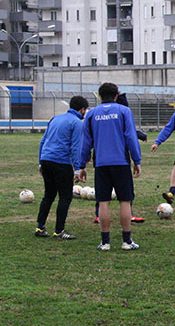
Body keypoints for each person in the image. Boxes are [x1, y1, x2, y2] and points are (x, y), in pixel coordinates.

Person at [78, 82, 142, 251]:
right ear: (116, 96)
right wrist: (137, 160)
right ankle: (126, 241)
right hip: (121, 163)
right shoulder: (123, 111)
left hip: (101, 164)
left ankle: (105, 242)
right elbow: (130, 137)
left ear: (100, 97)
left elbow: (86, 142)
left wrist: (82, 165)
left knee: (103, 202)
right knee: (125, 201)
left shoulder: (92, 114)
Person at [35, 95, 88, 240]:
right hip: (61, 162)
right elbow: (76, 147)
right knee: (65, 197)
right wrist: (78, 169)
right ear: (82, 110)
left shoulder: (55, 119)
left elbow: (42, 141)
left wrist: (41, 162)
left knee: (49, 195)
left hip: (46, 160)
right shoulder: (77, 123)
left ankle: (40, 227)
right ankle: (59, 231)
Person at [95, 92, 146, 223]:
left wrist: (82, 162)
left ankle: (99, 217)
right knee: (125, 195)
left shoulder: (95, 113)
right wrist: (137, 160)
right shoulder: (123, 111)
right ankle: (127, 233)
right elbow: (128, 133)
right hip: (120, 159)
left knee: (103, 194)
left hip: (100, 158)